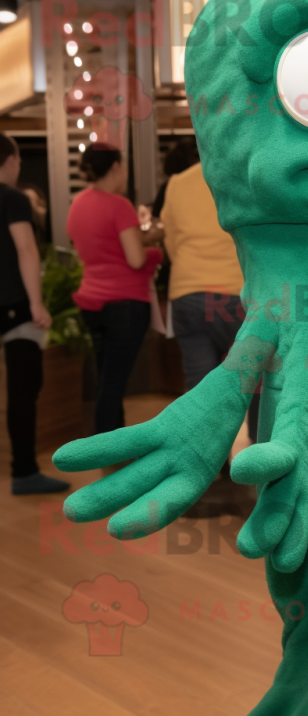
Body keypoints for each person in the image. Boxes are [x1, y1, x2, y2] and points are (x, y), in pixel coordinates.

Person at [160, 160, 253, 516]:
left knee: (199, 391)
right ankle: (255, 470)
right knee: (253, 385)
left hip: (186, 292)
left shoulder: (177, 183)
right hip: (233, 293)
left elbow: (169, 239)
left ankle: (198, 477)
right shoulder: (237, 170)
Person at [66, 144, 162, 435]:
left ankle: (113, 442)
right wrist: (155, 250)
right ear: (117, 167)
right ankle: (106, 449)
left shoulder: (78, 203)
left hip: (91, 302)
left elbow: (98, 249)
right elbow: (135, 259)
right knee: (113, 384)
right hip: (125, 304)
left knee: (107, 378)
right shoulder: (119, 205)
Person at [0, 133, 68, 494]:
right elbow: (27, 250)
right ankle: (24, 471)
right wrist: (36, 304)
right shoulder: (12, 199)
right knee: (24, 389)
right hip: (15, 307)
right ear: (9, 160)